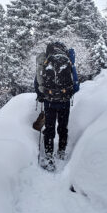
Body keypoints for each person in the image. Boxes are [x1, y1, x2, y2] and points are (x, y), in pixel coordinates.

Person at [34, 41, 79, 171]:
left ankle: (48, 155)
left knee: (49, 127)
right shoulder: (68, 61)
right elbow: (76, 85)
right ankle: (61, 151)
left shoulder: (46, 61)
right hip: (64, 101)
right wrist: (68, 93)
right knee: (63, 127)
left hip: (49, 101)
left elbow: (37, 82)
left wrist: (41, 95)